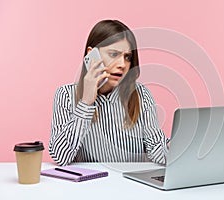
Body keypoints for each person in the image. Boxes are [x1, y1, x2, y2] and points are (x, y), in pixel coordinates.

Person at [49, 19, 168, 166]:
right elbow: (61, 157)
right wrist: (86, 102)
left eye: (127, 57)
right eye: (113, 54)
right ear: (92, 55)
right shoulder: (66, 95)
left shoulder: (141, 95)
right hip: (90, 185)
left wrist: (180, 149)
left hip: (132, 186)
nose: (122, 65)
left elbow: (156, 147)